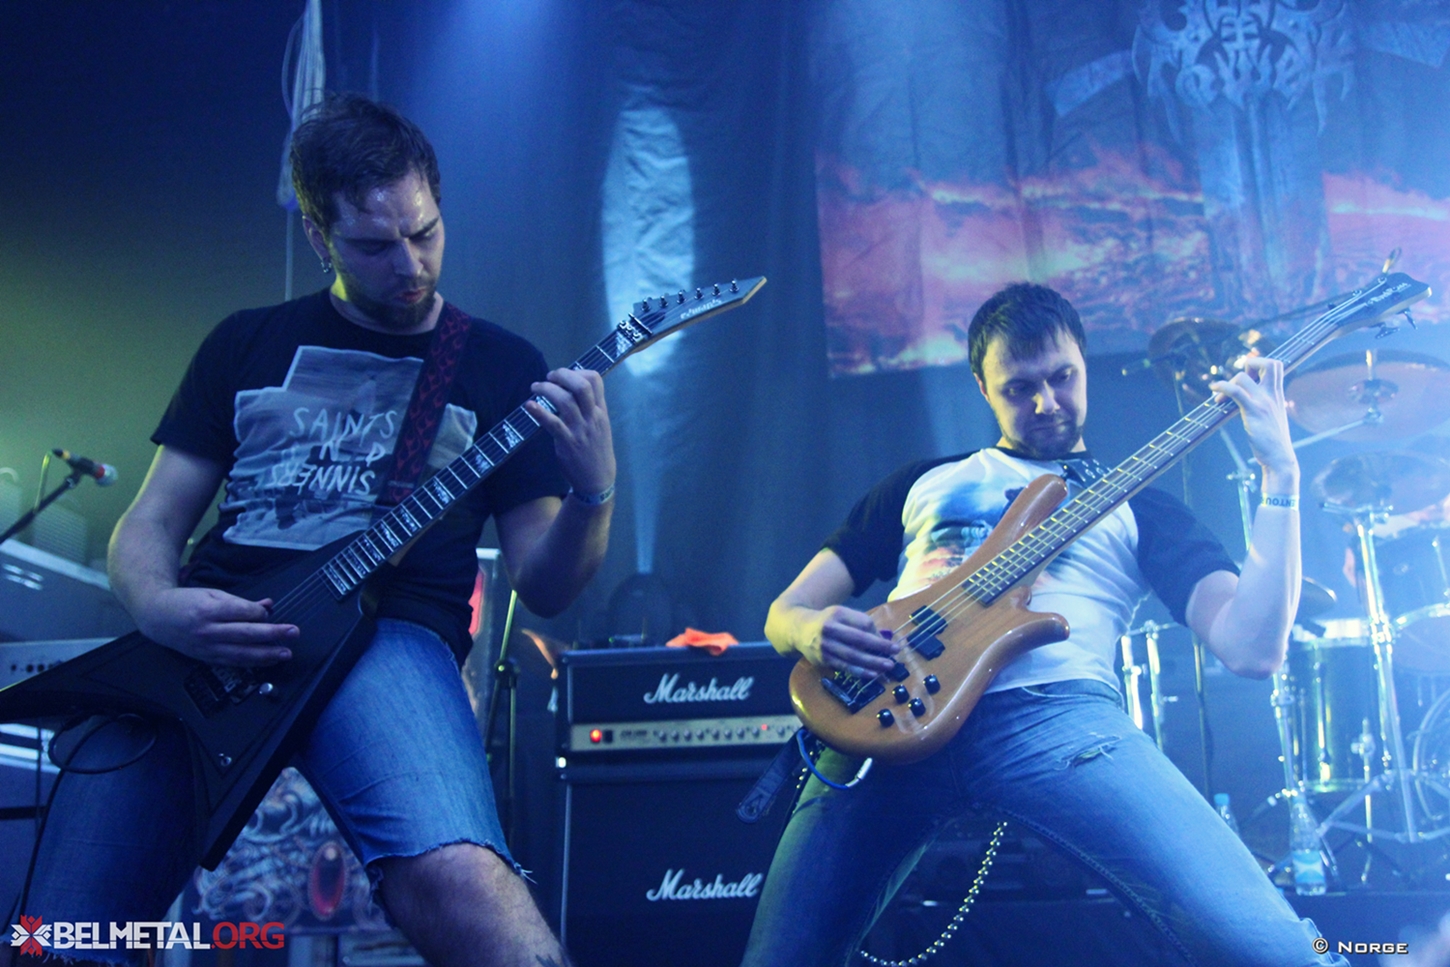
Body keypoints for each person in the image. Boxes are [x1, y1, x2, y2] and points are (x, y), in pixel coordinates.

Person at [15, 95, 611, 967]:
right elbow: (150, 522)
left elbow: (547, 586)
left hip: (389, 637)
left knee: (464, 886)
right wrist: (160, 607)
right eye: (373, 245)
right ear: (318, 236)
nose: (410, 264)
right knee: (67, 934)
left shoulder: (498, 364)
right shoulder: (245, 342)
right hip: (210, 642)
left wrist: (594, 492)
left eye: (425, 232)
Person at [741, 283, 1347, 967]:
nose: (1047, 403)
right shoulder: (923, 481)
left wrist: (1280, 473)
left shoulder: (1141, 505)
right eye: (1019, 388)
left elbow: (1252, 649)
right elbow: (784, 612)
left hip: (1058, 717)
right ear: (982, 387)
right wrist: (811, 631)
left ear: (1084, 363)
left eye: (1062, 377)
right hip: (883, 710)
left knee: (1272, 949)